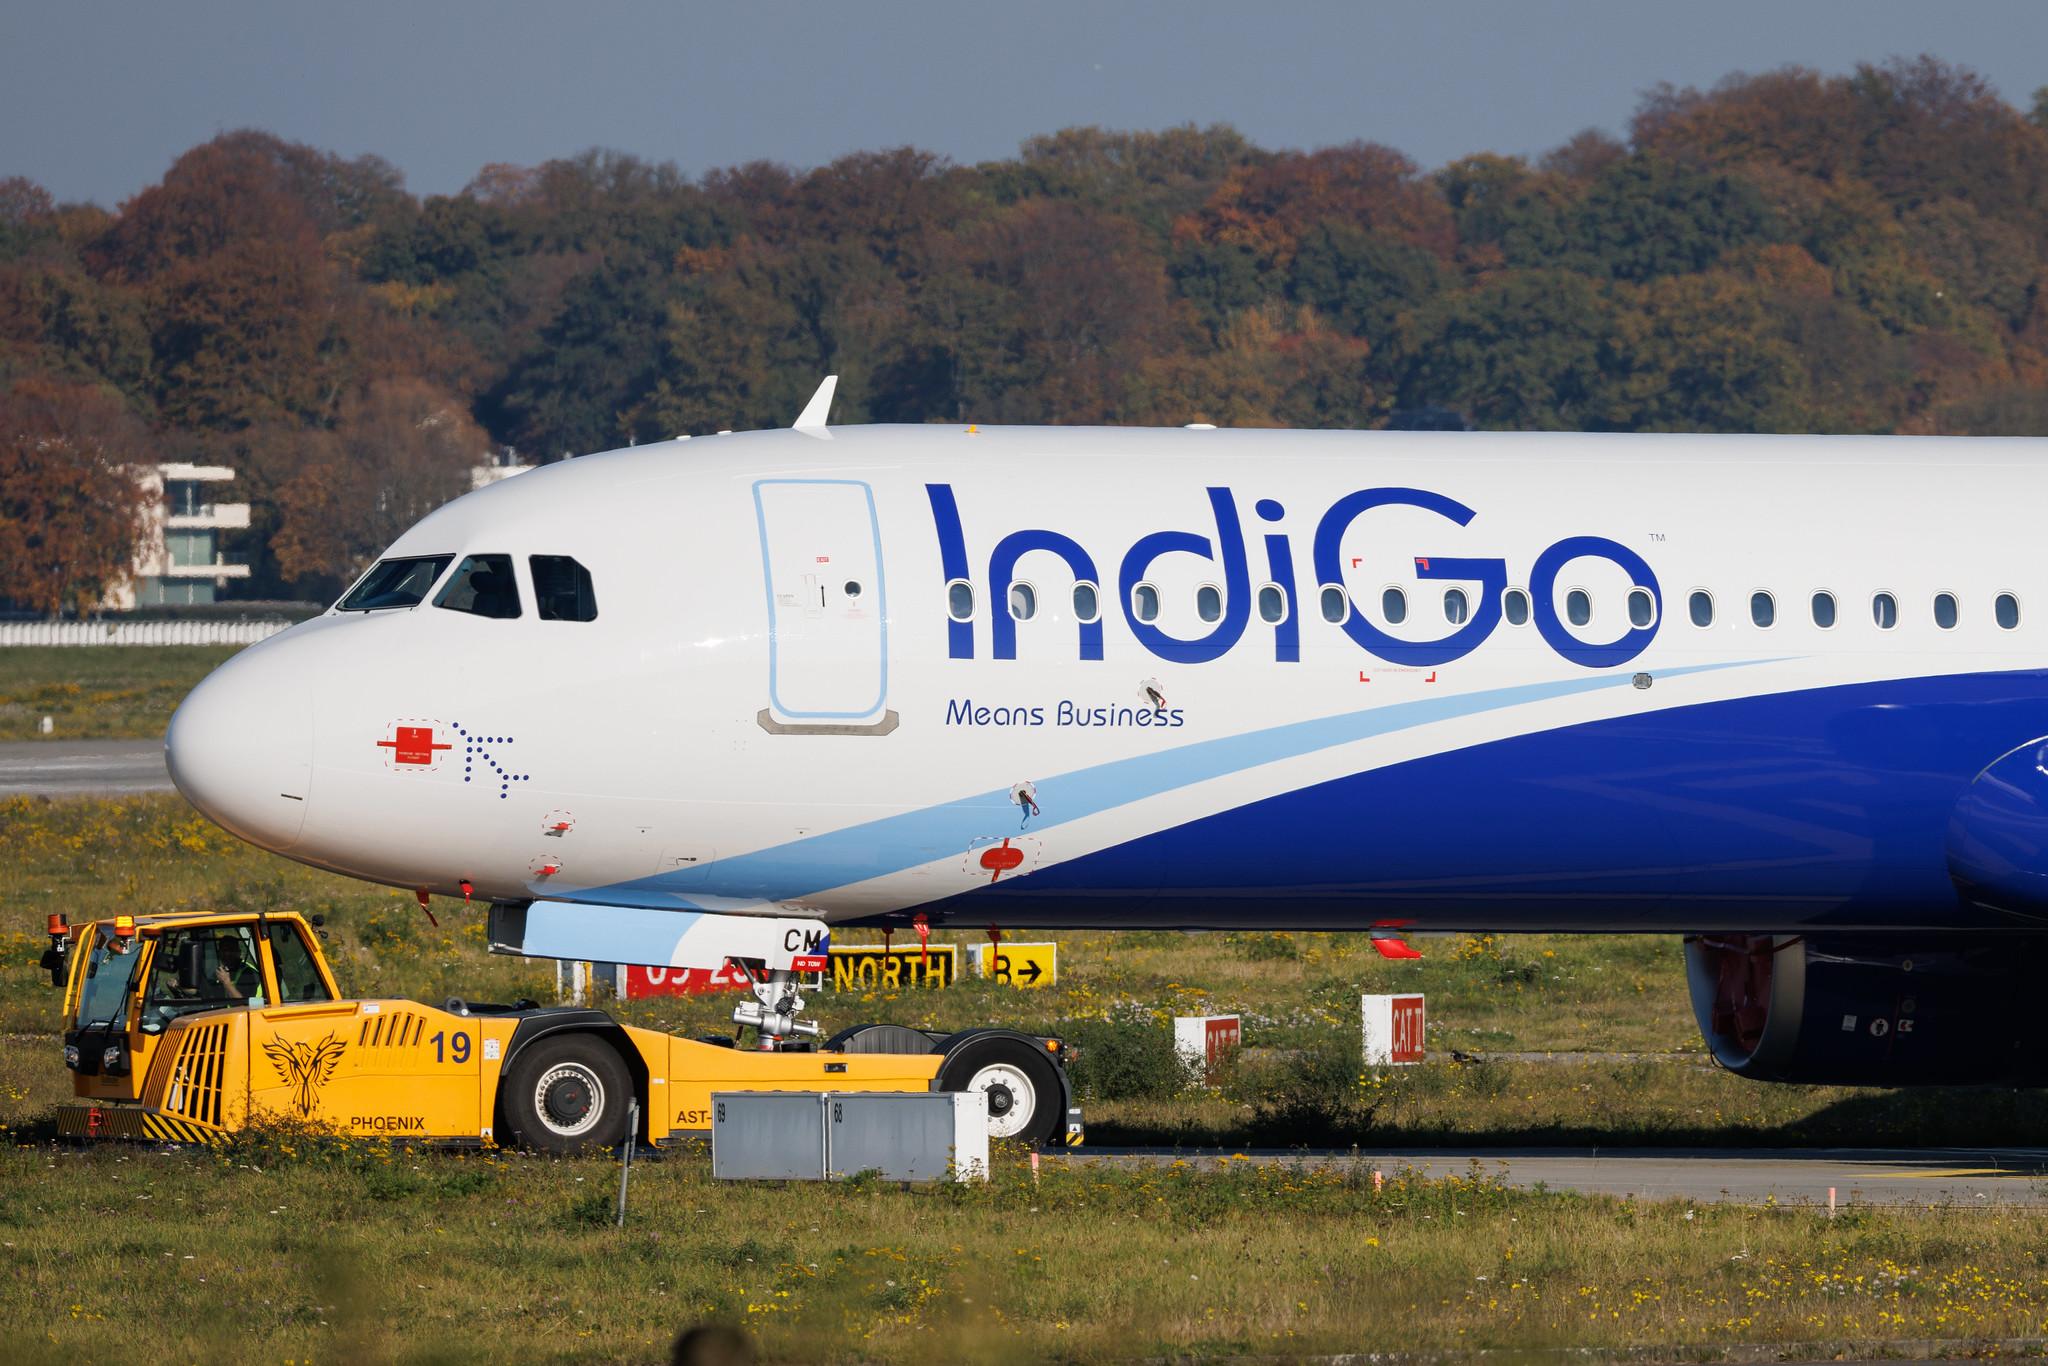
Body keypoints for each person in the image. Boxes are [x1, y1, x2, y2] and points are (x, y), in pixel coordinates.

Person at [212, 936, 262, 1004]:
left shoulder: (249, 974)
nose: (227, 954)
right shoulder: (222, 972)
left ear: (239, 953)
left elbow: (243, 1005)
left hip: (254, 1013)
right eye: (224, 950)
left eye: (231, 950)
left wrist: (226, 982)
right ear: (218, 953)